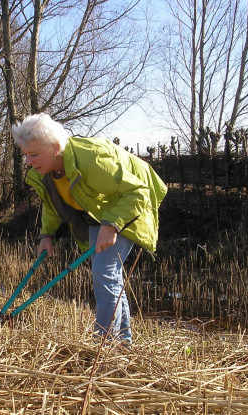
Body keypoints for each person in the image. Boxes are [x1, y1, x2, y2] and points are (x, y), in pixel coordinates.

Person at [12, 113, 167, 345]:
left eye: (34, 154)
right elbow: (53, 204)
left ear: (55, 147)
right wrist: (47, 235)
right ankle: (123, 345)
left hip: (128, 204)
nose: (29, 162)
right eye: (26, 155)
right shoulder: (44, 171)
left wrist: (111, 225)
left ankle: (101, 346)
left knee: (104, 275)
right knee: (110, 276)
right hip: (98, 212)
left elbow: (138, 192)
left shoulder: (91, 158)